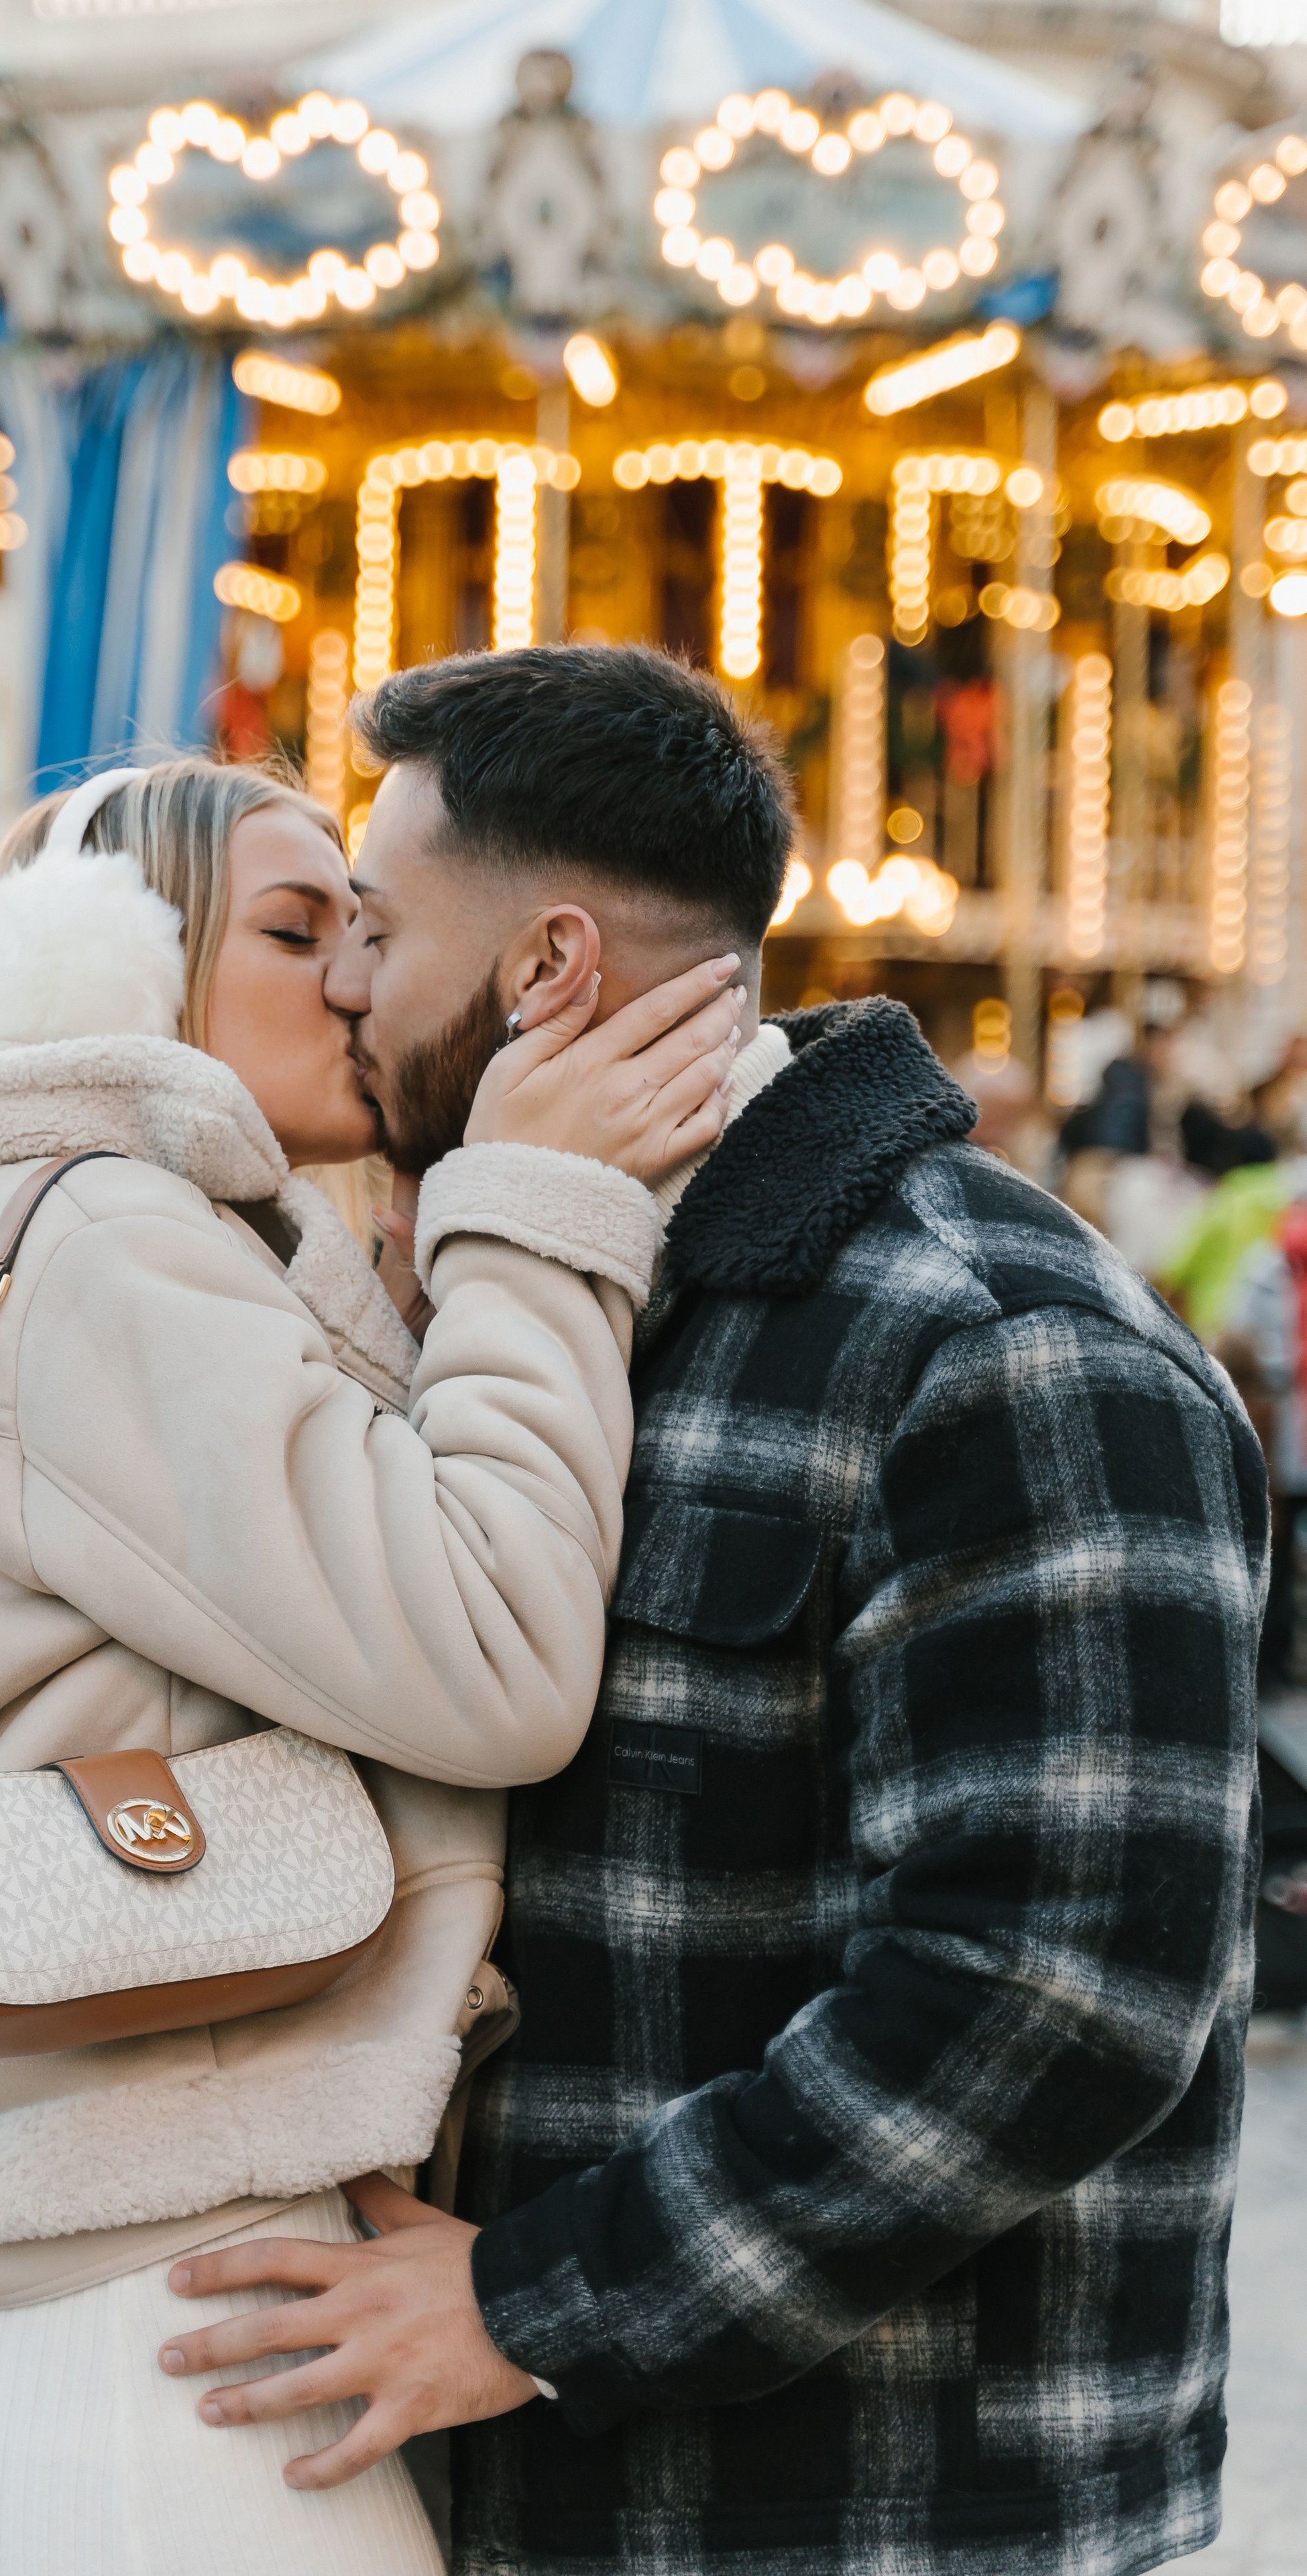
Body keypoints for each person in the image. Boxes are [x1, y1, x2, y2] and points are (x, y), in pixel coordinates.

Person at [158, 647, 1266, 2576]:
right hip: (563, 2493)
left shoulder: (1002, 1348)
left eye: (380, 930)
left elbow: (1058, 1992)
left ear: (551, 971)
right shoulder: (543, 1300)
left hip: (884, 2509)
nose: (341, 980)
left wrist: (533, 2298)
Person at [0, 753, 740, 2576]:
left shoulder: (140, 1236)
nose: (357, 982)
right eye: (298, 930)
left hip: (138, 2254)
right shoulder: (92, 1234)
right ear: (114, 980)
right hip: (146, 2305)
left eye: (367, 931)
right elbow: (485, 1662)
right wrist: (540, 1216)